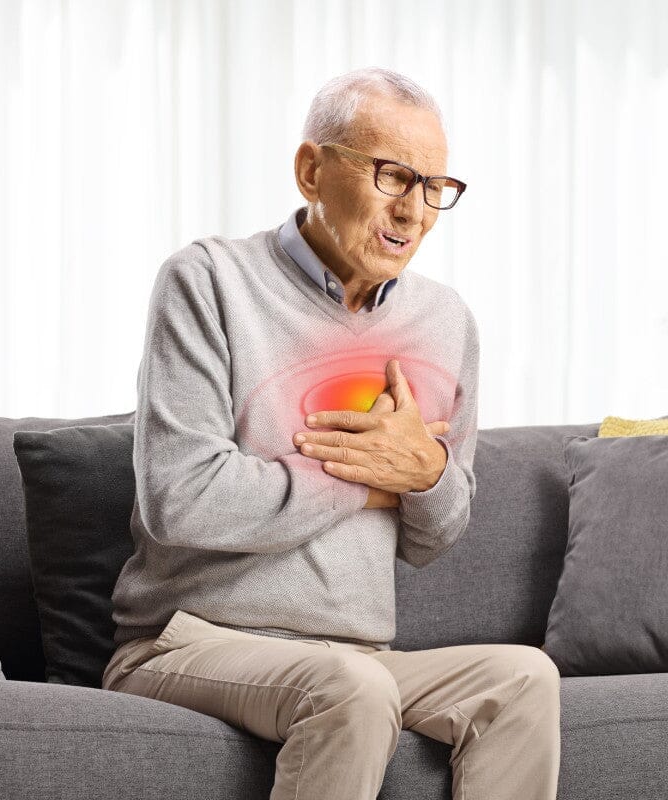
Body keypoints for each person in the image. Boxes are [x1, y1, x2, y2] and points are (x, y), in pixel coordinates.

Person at [103, 67, 560, 800]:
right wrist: (370, 478)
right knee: (351, 686)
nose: (414, 211)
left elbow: (432, 537)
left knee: (524, 678)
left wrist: (427, 477)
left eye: (434, 188)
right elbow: (182, 499)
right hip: (189, 642)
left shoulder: (445, 322)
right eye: (393, 177)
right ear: (312, 170)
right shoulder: (209, 279)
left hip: (356, 652)